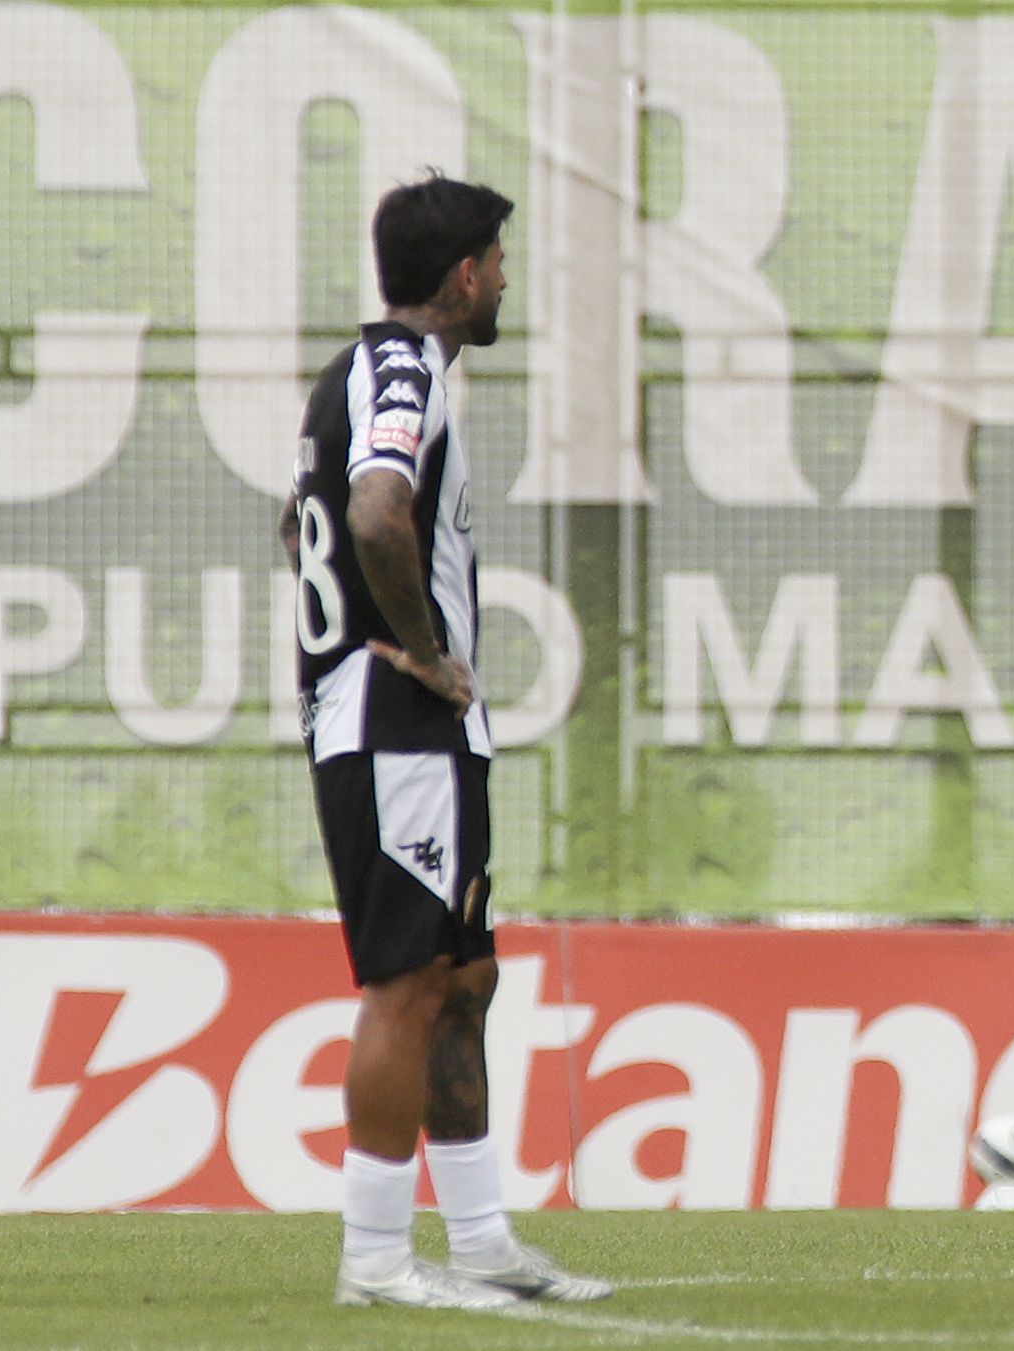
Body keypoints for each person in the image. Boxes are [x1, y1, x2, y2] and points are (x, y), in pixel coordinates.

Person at [282, 173, 612, 1308]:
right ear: (465, 273)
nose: (507, 280)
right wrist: (420, 651)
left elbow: (302, 525)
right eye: (500, 261)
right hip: (394, 723)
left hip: (424, 728)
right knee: (409, 985)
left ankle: (480, 1242)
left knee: (464, 977)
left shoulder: (360, 374)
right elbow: (374, 512)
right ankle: (375, 1257)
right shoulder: (401, 371)